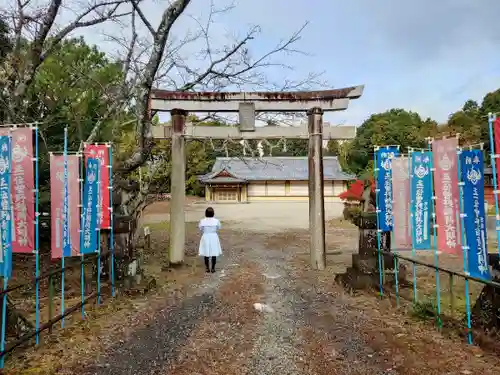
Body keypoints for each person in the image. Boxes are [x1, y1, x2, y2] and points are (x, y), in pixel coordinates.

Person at [198, 207, 222, 273]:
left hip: (206, 236)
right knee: (214, 252)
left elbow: (200, 228)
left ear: (205, 213)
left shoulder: (202, 221)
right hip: (214, 236)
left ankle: (207, 268)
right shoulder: (216, 221)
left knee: (206, 252)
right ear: (213, 213)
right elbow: (219, 227)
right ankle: (213, 268)